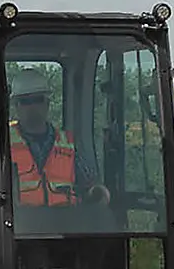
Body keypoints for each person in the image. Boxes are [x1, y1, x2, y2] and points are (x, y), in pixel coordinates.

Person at [7, 68, 104, 208]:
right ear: (16, 106)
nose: (32, 106)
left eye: (37, 100)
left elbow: (89, 185)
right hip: (20, 227)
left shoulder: (68, 144)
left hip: (66, 225)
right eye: (25, 101)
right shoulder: (4, 145)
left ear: (47, 103)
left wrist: (97, 193)